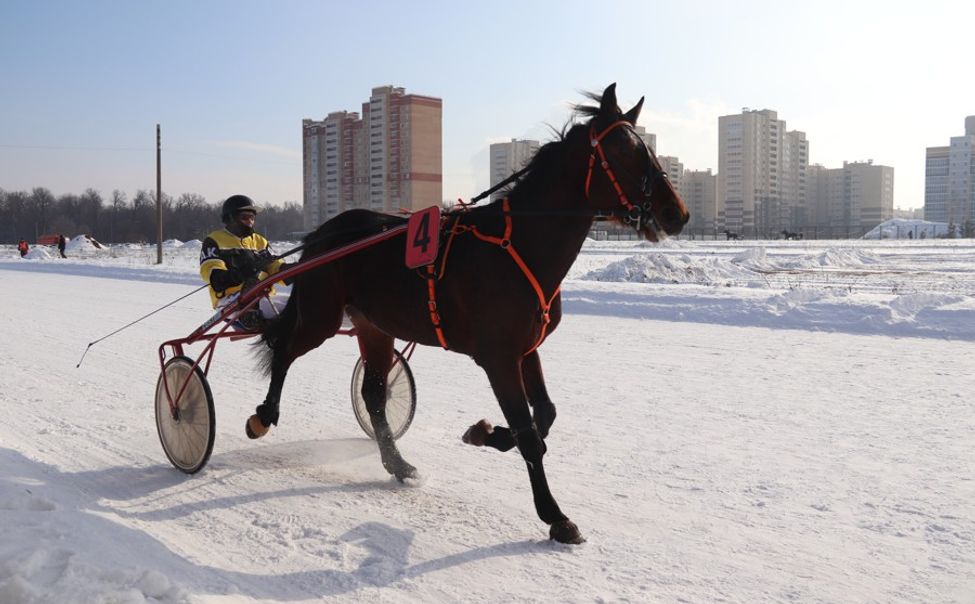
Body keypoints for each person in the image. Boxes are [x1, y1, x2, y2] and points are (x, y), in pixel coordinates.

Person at [199, 194, 287, 330]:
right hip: (231, 301)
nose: (250, 221)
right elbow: (214, 277)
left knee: (300, 302)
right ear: (230, 218)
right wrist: (242, 273)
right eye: (245, 217)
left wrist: (290, 269)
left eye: (252, 217)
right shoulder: (214, 240)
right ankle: (249, 314)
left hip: (263, 296)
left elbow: (275, 266)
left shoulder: (260, 241)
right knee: (291, 310)